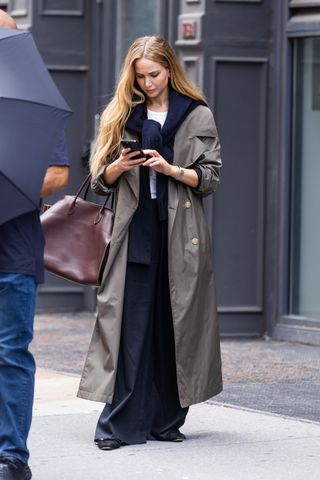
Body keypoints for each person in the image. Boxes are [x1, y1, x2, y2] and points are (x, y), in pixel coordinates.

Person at [77, 35, 222, 450]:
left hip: (181, 236)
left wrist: (172, 169)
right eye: (140, 77)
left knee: (175, 328)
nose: (147, 83)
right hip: (133, 233)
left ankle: (166, 420)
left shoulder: (197, 115)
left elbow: (211, 178)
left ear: (170, 70)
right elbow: (99, 181)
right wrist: (118, 166)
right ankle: (118, 425)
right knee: (128, 329)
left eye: (154, 75)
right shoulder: (121, 114)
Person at [0, 11, 70, 480]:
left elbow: (59, 174)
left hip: (14, 252)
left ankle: (11, 457)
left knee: (9, 352)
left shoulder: (31, 104)